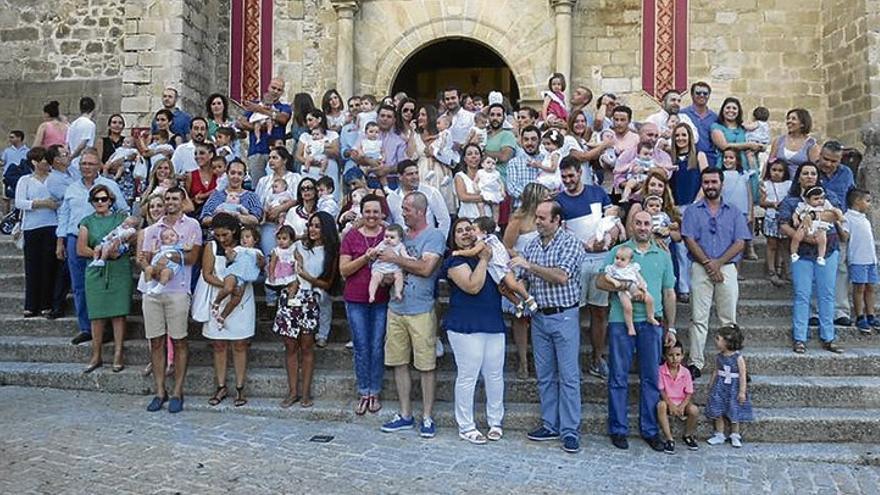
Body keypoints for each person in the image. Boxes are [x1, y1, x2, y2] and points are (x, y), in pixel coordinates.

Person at [596, 210, 677, 452]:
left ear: (652, 226)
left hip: (652, 324)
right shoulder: (618, 251)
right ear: (631, 225)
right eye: (638, 223)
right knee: (618, 377)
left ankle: (650, 430)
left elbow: (669, 292)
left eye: (647, 223)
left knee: (651, 378)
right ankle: (618, 429)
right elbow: (600, 281)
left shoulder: (662, 254)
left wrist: (670, 327)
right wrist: (621, 285)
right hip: (621, 321)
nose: (642, 227)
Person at [511, 200, 583, 454]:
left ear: (557, 220)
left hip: (564, 316)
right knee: (545, 375)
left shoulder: (570, 242)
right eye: (537, 217)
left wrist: (528, 266)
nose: (538, 221)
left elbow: (561, 276)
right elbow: (524, 281)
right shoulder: (532, 245)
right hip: (539, 317)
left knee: (569, 376)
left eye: (542, 217)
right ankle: (550, 424)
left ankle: (570, 430)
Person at [379, 192, 446, 438]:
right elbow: (390, 266)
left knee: (426, 365)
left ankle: (427, 416)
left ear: (420, 211)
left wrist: (396, 259)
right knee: (398, 362)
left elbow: (427, 268)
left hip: (421, 309)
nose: (403, 213)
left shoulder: (434, 236)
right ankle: (405, 414)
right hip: (396, 308)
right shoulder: (400, 236)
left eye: (407, 209)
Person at [137, 186, 203, 413]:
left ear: (183, 200)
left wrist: (169, 254)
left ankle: (177, 390)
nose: (171, 202)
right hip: (153, 290)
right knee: (155, 341)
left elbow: (193, 258)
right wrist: (150, 268)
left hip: (178, 290)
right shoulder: (153, 229)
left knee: (179, 340)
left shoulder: (192, 226)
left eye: (175, 198)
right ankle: (159, 391)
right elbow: (144, 258)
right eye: (168, 198)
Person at [443, 218, 506, 445]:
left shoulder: (490, 251)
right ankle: (466, 426)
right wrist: (484, 260)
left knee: (495, 375)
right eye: (459, 231)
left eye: (469, 228)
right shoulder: (453, 261)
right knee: (468, 376)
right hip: (465, 325)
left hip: (493, 321)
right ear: (454, 237)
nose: (465, 233)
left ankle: (495, 421)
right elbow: (472, 286)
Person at [682, 168, 750, 377]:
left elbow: (740, 242)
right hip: (700, 267)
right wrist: (708, 263)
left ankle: (732, 363)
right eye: (706, 182)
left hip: (727, 267)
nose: (710, 186)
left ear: (722, 184)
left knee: (728, 317)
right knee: (698, 317)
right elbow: (689, 239)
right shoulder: (693, 211)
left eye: (714, 182)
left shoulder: (734, 211)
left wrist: (718, 263)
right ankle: (696, 362)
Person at [56, 148, 128, 345]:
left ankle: (107, 328)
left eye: (90, 163)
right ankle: (87, 328)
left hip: (104, 239)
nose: (86, 167)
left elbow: (124, 211)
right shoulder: (71, 188)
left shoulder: (109, 185)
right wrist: (60, 241)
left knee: (107, 285)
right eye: (83, 164)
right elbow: (64, 215)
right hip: (75, 239)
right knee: (79, 286)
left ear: (98, 166)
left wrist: (117, 238)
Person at [556, 157, 617, 379]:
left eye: (571, 176)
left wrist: (607, 239)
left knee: (600, 311)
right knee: (574, 313)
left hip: (601, 260)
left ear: (580, 173)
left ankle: (597, 358)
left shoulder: (598, 192)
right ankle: (572, 362)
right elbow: (560, 233)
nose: (568, 181)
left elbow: (613, 223)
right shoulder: (559, 200)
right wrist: (582, 244)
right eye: (564, 177)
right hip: (576, 262)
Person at [273, 211, 339, 409]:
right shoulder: (297, 245)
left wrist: (306, 276)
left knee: (307, 347)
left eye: (318, 226)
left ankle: (306, 393)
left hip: (310, 299)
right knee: (291, 347)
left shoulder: (331, 251)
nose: (313, 229)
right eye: (311, 225)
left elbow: (327, 283)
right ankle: (292, 391)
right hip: (291, 298)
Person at [779, 163, 844, 354]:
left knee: (827, 293)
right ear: (798, 177)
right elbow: (783, 223)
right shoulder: (791, 201)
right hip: (802, 253)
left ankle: (829, 337)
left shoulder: (829, 195)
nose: (809, 176)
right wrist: (804, 237)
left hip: (828, 251)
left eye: (813, 173)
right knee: (802, 294)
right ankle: (800, 337)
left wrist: (811, 215)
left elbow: (835, 215)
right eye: (805, 173)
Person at [194, 213, 256, 408]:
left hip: (242, 298)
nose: (221, 239)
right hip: (218, 297)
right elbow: (206, 274)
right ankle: (220, 385)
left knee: (240, 345)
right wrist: (226, 286)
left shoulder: (246, 246)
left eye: (225, 235)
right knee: (219, 345)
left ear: (234, 231)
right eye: (218, 235)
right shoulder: (211, 247)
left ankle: (240, 387)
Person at [339, 194, 390, 414]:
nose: (371, 216)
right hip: (356, 298)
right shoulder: (351, 236)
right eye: (367, 211)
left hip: (382, 299)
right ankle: (364, 390)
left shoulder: (389, 236)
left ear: (382, 214)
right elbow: (344, 271)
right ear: (362, 212)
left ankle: (375, 390)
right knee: (361, 346)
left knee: (377, 346)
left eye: (375, 212)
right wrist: (366, 258)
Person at [77, 185, 133, 374]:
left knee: (119, 313)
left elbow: (131, 238)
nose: (100, 202)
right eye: (96, 199)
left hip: (119, 268)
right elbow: (81, 248)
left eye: (104, 199)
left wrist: (117, 249)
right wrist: (101, 254)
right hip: (96, 269)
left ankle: (118, 353)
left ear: (111, 200)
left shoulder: (121, 218)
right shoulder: (86, 221)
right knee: (97, 315)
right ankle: (96, 354)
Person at [502, 183, 551, 378]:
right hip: (521, 271)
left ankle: (542, 362)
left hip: (541, 270)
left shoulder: (547, 219)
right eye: (545, 197)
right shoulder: (518, 219)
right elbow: (506, 246)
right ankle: (523, 362)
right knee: (520, 318)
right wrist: (522, 260)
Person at [15, 147, 61, 319]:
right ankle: (31, 304)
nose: (46, 163)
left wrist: (54, 205)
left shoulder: (54, 179)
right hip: (32, 227)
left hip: (52, 226)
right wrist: (41, 204)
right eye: (43, 159)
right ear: (35, 162)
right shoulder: (25, 180)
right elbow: (20, 202)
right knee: (32, 266)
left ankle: (46, 304)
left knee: (49, 265)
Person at [817, 140, 855, 326]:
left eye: (834, 161)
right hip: (817, 225)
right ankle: (815, 312)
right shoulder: (811, 171)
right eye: (826, 159)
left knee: (841, 269)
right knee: (817, 268)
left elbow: (851, 196)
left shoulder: (846, 173)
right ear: (820, 155)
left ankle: (840, 311)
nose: (829, 164)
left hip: (840, 225)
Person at [705, 325, 754, 448]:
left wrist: (742, 391)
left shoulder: (738, 357)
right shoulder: (719, 357)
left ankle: (735, 434)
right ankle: (719, 434)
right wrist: (711, 383)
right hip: (720, 386)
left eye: (718, 338)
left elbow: (742, 374)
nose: (715, 341)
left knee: (734, 410)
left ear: (727, 341)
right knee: (718, 410)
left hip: (733, 388)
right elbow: (716, 370)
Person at [236, 78, 291, 185]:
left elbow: (283, 119)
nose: (275, 91)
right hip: (257, 151)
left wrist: (259, 110)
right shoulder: (254, 104)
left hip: (277, 152)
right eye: (273, 88)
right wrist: (261, 127)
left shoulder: (284, 107)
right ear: (268, 87)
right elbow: (241, 122)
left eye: (279, 90)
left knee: (278, 185)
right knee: (258, 187)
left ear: (282, 92)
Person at [844, 189, 880, 333]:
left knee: (870, 287)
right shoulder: (848, 217)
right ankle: (860, 315)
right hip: (858, 259)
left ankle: (871, 314)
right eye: (867, 201)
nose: (869, 204)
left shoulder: (864, 218)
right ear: (857, 201)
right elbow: (845, 236)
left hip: (870, 259)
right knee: (859, 288)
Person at [602, 245, 659, 336]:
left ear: (630, 260)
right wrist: (614, 281)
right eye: (617, 258)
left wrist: (642, 284)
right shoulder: (613, 268)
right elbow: (606, 276)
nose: (618, 261)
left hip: (636, 286)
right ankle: (630, 326)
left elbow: (638, 276)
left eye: (622, 259)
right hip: (624, 291)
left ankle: (650, 316)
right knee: (627, 307)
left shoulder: (633, 267)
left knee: (650, 299)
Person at [656, 342, 700, 454]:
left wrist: (682, 406)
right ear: (665, 356)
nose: (674, 358)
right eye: (670, 355)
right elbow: (662, 390)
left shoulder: (685, 372)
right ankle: (669, 439)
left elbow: (689, 393)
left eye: (677, 355)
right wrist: (671, 405)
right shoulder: (661, 370)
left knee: (694, 410)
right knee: (660, 406)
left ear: (682, 355)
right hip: (667, 400)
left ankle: (688, 435)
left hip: (682, 401)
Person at [351, 104, 408, 190]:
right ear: (377, 117)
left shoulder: (399, 141)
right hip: (367, 178)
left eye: (389, 117)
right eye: (382, 116)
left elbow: (402, 164)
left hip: (390, 180)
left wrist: (387, 169)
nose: (385, 119)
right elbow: (353, 155)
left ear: (394, 120)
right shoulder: (365, 135)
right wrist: (369, 161)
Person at [789, 186, 843, 266]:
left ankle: (821, 256)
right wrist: (795, 219)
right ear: (807, 199)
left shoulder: (825, 205)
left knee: (822, 240)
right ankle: (794, 253)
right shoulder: (803, 205)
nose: (820, 201)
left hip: (820, 225)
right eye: (816, 199)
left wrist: (839, 216)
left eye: (822, 198)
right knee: (797, 237)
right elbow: (795, 213)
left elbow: (834, 210)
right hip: (806, 224)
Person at [200, 160, 263, 227]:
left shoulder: (252, 196)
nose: (235, 177)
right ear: (227, 174)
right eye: (232, 173)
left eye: (239, 174)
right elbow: (204, 219)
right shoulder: (216, 195)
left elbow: (256, 219)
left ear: (244, 176)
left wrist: (237, 216)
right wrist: (221, 217)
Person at [760, 161, 792, 287]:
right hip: (771, 217)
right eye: (774, 170)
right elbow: (762, 202)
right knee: (771, 244)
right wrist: (772, 204)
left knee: (785, 245)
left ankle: (786, 270)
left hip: (785, 218)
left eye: (780, 170)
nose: (777, 173)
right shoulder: (765, 184)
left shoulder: (789, 185)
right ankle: (771, 270)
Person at [769, 108, 820, 179]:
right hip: (778, 185)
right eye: (788, 118)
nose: (789, 121)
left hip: (799, 185)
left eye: (793, 119)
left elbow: (815, 168)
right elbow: (769, 163)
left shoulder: (811, 144)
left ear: (802, 123)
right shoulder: (778, 141)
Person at [367, 224, 410, 302]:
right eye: (386, 237)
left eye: (392, 237)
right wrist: (373, 251)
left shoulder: (400, 246)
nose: (388, 239)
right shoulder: (382, 244)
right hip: (380, 267)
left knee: (399, 276)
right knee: (375, 278)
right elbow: (375, 250)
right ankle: (372, 295)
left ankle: (398, 292)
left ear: (400, 239)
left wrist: (410, 258)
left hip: (394, 268)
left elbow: (405, 255)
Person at [505, 126, 544, 208]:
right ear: (522, 142)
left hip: (543, 209)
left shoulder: (546, 161)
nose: (529, 143)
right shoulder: (514, 162)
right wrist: (535, 198)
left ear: (540, 141)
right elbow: (512, 188)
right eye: (526, 139)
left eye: (533, 139)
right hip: (521, 209)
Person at [680, 81, 719, 165]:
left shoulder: (715, 117)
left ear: (709, 96)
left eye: (705, 93)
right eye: (698, 93)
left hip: (710, 158)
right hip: (688, 158)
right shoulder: (682, 114)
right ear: (692, 95)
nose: (702, 95)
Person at [454, 143, 487, 220]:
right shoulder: (460, 176)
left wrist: (472, 196)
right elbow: (463, 197)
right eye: (469, 154)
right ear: (464, 159)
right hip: (467, 219)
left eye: (476, 153)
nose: (473, 156)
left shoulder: (487, 175)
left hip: (487, 218)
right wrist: (485, 198)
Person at [66, 97, 96, 174]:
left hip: (72, 164)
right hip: (82, 161)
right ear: (93, 109)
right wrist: (72, 157)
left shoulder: (72, 124)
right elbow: (83, 143)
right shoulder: (89, 124)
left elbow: (67, 144)